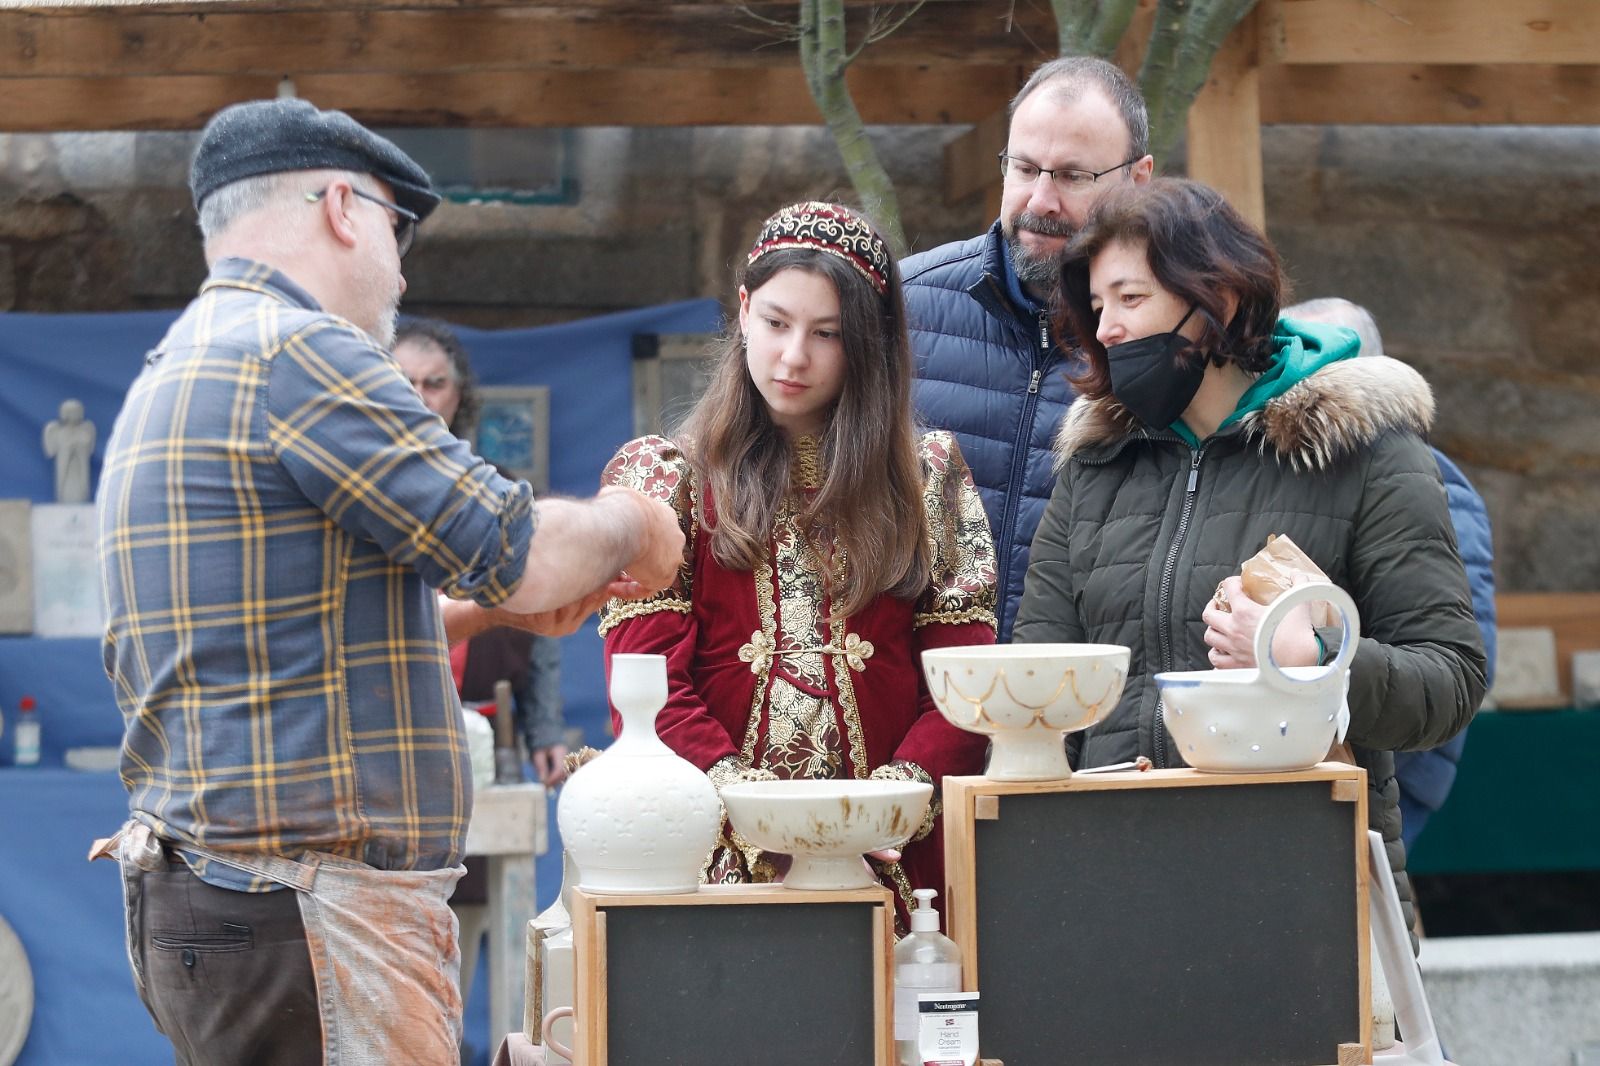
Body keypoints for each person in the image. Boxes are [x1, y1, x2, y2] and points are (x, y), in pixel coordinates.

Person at [95, 98, 683, 1066]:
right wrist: (635, 521)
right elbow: (518, 546)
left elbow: (294, 625)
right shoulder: (297, 348)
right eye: (396, 230)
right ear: (342, 207)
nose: (401, 270)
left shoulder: (185, 360)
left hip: (231, 896)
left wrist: (494, 605)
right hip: (298, 904)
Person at [1013, 178, 1488, 943]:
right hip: (1113, 893)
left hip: (1300, 899)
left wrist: (1320, 658)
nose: (1106, 329)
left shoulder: (1362, 449)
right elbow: (1040, 689)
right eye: (1098, 307)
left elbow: (1451, 681)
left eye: (1130, 298)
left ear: (1219, 299)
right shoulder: (1095, 466)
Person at [598, 201, 997, 930]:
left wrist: (887, 810)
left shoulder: (928, 476)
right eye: (777, 323)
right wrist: (751, 811)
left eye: (827, 335)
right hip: (713, 851)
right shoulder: (665, 482)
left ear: (867, 344)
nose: (792, 358)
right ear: (744, 309)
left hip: (896, 858)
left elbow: (964, 682)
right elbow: (646, 685)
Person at [902, 56, 1153, 641]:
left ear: (1139, 179)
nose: (1040, 200)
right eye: (1024, 168)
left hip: (1088, 712)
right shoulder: (899, 310)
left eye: (1072, 176)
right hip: (919, 708)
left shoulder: (1172, 338)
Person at [1283, 297, 1498, 851]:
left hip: (1396, 762)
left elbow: (1453, 654)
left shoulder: (1428, 486)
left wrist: (1313, 651)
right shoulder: (1318, 470)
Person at [393, 317, 569, 786]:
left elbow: (541, 612)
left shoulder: (503, 493)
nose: (420, 395)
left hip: (488, 732)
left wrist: (545, 729)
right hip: (384, 726)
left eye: (435, 383)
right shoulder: (352, 488)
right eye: (404, 381)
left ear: (458, 395)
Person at [42, 397, 95, 502]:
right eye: (71, 412)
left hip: (79, 469)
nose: (74, 414)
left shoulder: (86, 430)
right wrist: (68, 448)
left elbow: (88, 450)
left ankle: (83, 497)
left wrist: (79, 448)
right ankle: (62, 497)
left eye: (76, 411)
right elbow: (51, 452)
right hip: (65, 470)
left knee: (81, 490)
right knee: (65, 490)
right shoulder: (58, 432)